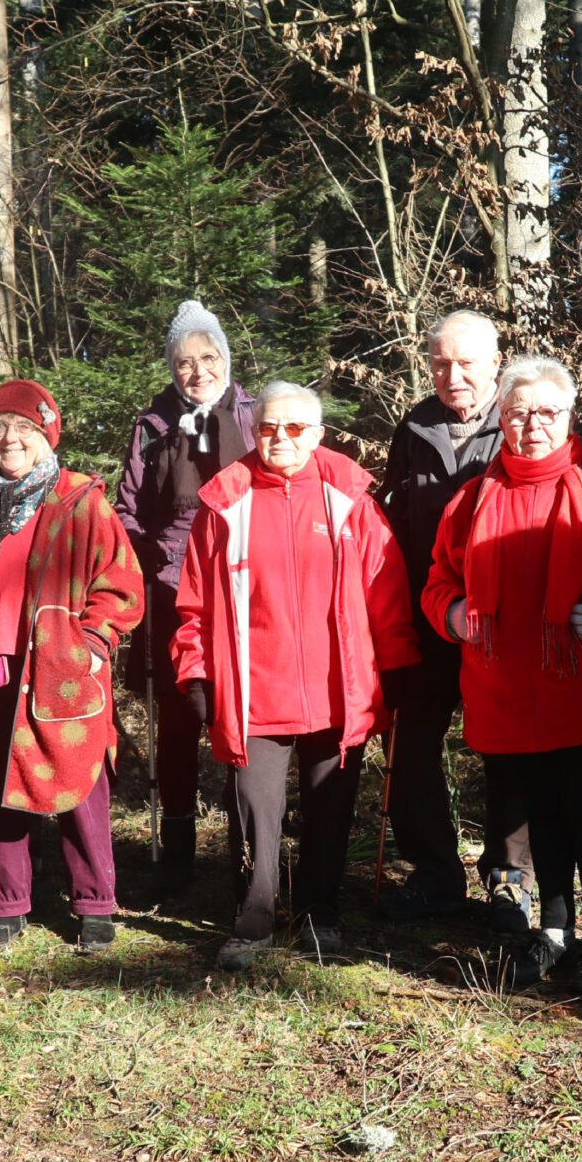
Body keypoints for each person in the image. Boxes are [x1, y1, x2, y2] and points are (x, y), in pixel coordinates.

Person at [423, 357, 582, 998]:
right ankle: (555, 930)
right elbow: (438, 583)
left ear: (569, 416)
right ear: (500, 419)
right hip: (503, 688)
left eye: (547, 412)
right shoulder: (473, 497)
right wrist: (452, 612)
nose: (533, 425)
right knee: (538, 815)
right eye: (519, 412)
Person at [172, 382, 420, 970]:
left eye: (293, 428)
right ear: (254, 431)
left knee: (329, 811)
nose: (279, 438)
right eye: (267, 428)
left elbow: (385, 593)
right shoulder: (225, 502)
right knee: (255, 814)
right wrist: (196, 674)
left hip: (340, 692)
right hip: (252, 692)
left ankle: (318, 916)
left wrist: (399, 663)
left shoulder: (353, 501)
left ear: (317, 433)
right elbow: (194, 603)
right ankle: (254, 918)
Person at [0, 380, 144, 955]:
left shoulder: (81, 500)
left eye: (24, 429)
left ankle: (93, 905)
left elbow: (120, 585)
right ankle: (4, 905)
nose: (10, 439)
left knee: (79, 783)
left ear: (46, 436)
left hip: (64, 668)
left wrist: (93, 643)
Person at [374, 309, 532, 927]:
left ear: (496, 362)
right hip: (426, 613)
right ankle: (435, 873)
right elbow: (389, 521)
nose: (452, 374)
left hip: (504, 620)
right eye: (440, 362)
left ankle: (509, 878)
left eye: (466, 362)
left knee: (507, 748)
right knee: (412, 745)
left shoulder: (524, 419)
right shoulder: (414, 425)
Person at [116, 300, 258, 892]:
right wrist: (139, 551)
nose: (196, 371)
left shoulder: (255, 415)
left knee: (239, 714)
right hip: (172, 585)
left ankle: (245, 847)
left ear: (224, 357)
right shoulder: (152, 426)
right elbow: (126, 509)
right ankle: (176, 849)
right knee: (176, 720)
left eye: (207, 358)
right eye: (183, 363)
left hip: (244, 583)